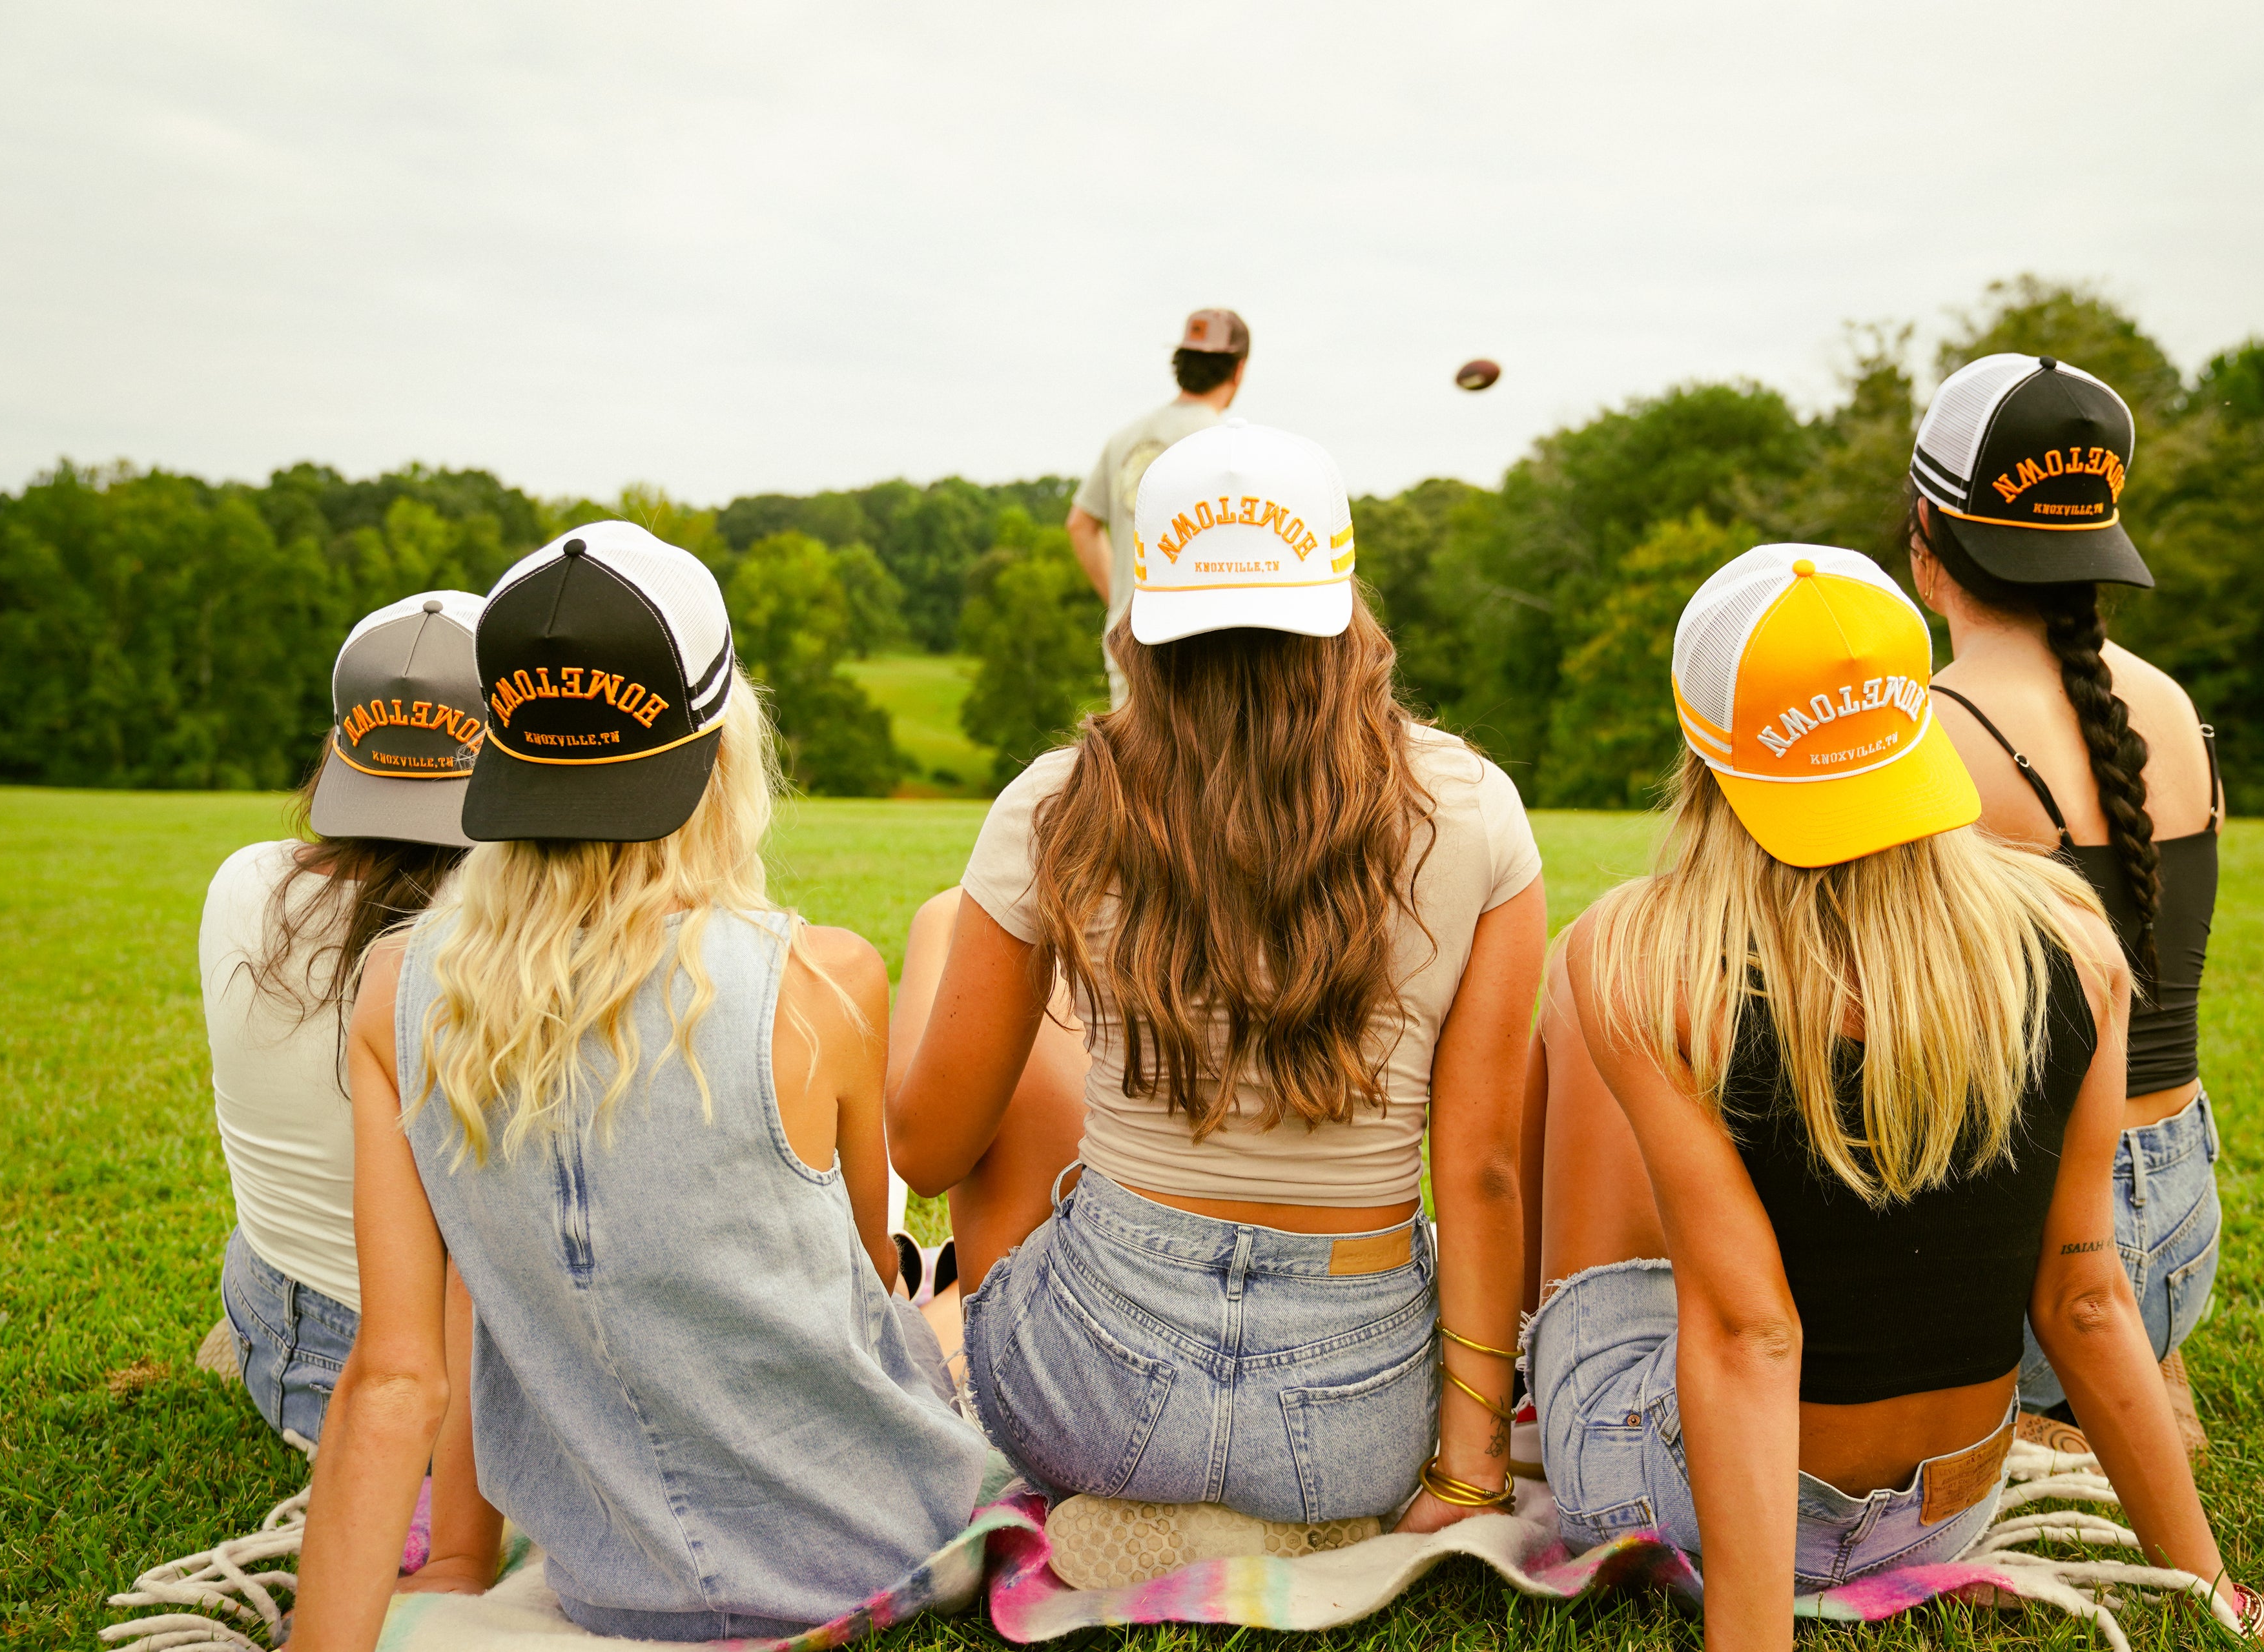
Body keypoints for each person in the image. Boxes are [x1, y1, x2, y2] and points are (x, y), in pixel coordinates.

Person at [1532, 544, 2264, 1652]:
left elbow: (1753, 1332)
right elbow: (2087, 1298)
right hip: (1946, 1509)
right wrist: (2228, 1600)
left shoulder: (1641, 942)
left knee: (1598, 1048)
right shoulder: (2070, 933)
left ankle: (1513, 1406)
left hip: (1693, 1508)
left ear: (1706, 746)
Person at [293, 524, 987, 1647]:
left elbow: (393, 1378)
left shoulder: (393, 991)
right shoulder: (824, 978)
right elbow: (861, 1281)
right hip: (879, 1544)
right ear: (721, 749)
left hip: (610, 1580)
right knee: (952, 1301)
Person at [889, 420, 1545, 1585]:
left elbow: (932, 1148)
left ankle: (1118, 1490)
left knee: (957, 929)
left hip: (1093, 1396)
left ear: (1141, 613)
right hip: (1356, 1428)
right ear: (1344, 599)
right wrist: (1468, 1466)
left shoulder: (1054, 806)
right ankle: (1291, 1522)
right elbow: (1486, 1167)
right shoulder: (1477, 807)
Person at [1902, 354, 2223, 1440]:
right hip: (2182, 1222)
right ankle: (2144, 1370)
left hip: (2054, 1259)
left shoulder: (1935, 732)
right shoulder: (2172, 706)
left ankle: (2041, 1412)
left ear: (1924, 539)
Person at [200, 591, 487, 1443]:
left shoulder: (242, 877)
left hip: (284, 1345)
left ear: (340, 741)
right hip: (446, 1389)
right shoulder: (507, 928)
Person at [1066, 307, 1250, 708]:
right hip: (1203, 651)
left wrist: (1121, 599)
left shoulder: (1125, 438)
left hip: (1128, 638)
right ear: (1238, 370)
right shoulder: (1228, 446)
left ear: (1180, 363)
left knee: (1134, 766)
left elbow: (1080, 525)